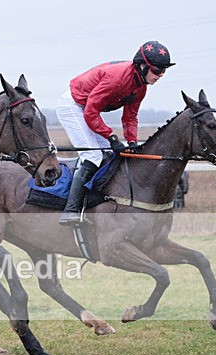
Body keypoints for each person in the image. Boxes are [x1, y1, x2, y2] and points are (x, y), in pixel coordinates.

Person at [55, 40, 175, 225]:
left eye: (164, 71)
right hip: (73, 105)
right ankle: (70, 210)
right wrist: (111, 137)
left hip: (86, 108)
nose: (160, 75)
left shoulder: (140, 87)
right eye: (158, 70)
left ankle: (95, 203)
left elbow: (130, 117)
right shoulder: (117, 79)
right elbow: (90, 112)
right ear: (142, 66)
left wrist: (132, 142)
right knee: (93, 156)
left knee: (109, 155)